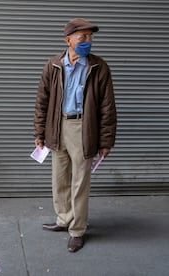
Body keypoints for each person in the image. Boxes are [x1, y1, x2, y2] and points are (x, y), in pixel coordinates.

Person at [34, 18, 117, 253]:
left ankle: (77, 229)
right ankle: (64, 219)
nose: (88, 42)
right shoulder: (53, 65)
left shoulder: (99, 67)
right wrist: (39, 132)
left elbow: (107, 107)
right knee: (59, 179)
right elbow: (42, 102)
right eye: (83, 37)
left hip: (84, 128)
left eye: (90, 37)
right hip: (57, 126)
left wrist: (106, 140)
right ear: (68, 40)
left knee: (80, 182)